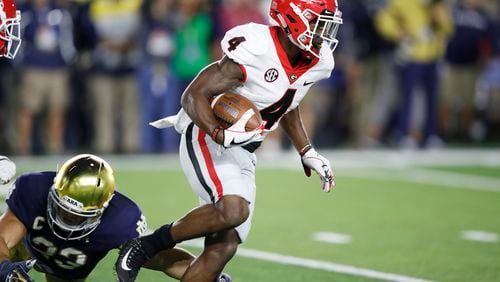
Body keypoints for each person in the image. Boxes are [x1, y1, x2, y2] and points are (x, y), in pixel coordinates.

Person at [115, 0, 340, 281]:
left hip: (245, 149)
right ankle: (146, 245)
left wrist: (306, 150)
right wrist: (219, 133)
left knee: (224, 246)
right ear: (293, 19)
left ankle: (148, 248)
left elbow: (289, 100)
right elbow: (193, 95)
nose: (323, 34)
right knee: (234, 210)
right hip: (208, 135)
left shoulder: (318, 60)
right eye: (318, 24)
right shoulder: (257, 48)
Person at [0, 154, 231, 281]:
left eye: (76, 216)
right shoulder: (34, 188)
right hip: (26, 250)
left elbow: (160, 259)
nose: (65, 219)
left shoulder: (120, 220)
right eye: (62, 209)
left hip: (67, 274)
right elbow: (4, 237)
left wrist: (209, 273)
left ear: (102, 210)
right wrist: (5, 270)